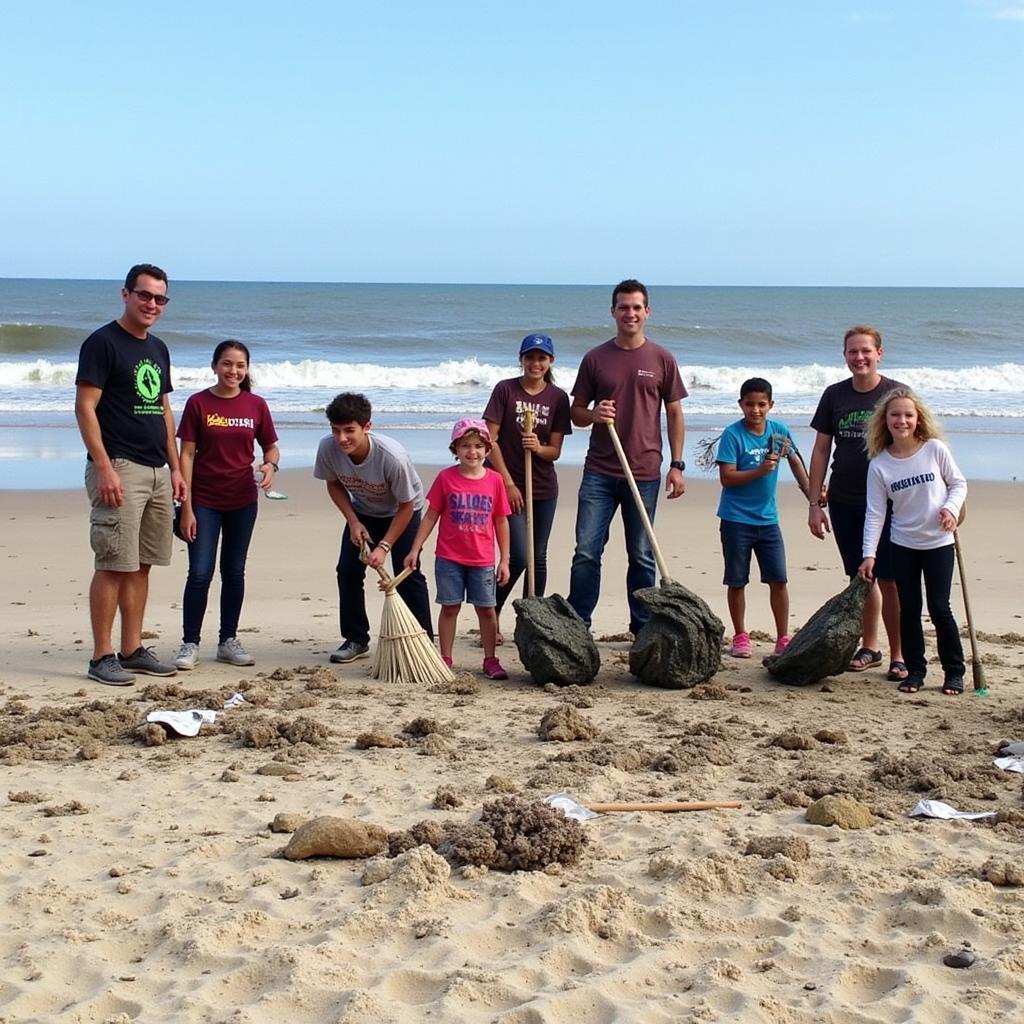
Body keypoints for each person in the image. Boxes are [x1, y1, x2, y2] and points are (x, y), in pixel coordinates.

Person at [74, 263, 186, 685]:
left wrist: (174, 467)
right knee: (112, 563)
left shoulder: (158, 348)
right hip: (118, 466)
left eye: (160, 298)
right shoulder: (102, 343)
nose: (152, 304)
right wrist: (103, 466)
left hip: (157, 469)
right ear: (126, 294)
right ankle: (101, 656)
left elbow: (163, 409)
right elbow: (85, 407)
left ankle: (132, 648)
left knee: (141, 565)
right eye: (145, 295)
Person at [567, 278, 687, 636]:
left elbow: (675, 413)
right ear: (613, 312)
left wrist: (677, 465)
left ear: (647, 311)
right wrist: (594, 414)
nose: (630, 313)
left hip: (646, 470)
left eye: (637, 307)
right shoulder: (595, 358)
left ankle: (642, 627)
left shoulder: (662, 358)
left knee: (641, 555)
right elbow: (575, 412)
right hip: (600, 472)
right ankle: (578, 624)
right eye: (623, 307)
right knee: (587, 551)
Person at [807, 325, 908, 681]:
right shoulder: (835, 395)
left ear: (880, 353)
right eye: (853, 351)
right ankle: (871, 646)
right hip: (844, 500)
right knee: (860, 577)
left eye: (866, 351)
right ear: (844, 355)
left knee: (891, 579)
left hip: (890, 504)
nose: (859, 357)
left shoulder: (896, 394)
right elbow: (821, 449)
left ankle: (899, 655)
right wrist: (814, 502)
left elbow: (917, 445)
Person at [173, 341, 280, 670]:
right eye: (227, 364)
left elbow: (272, 447)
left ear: (247, 369)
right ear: (214, 366)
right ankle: (190, 643)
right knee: (200, 573)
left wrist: (269, 467)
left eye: (240, 365)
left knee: (234, 572)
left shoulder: (256, 405)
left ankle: (227, 640)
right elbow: (186, 455)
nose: (233, 371)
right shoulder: (198, 403)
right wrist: (186, 506)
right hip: (204, 501)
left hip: (242, 502)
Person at [858, 389, 967, 695]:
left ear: (918, 418)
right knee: (909, 608)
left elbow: (958, 483)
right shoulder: (879, 465)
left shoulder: (934, 449)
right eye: (895, 414)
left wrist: (950, 509)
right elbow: (875, 513)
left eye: (908, 414)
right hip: (903, 544)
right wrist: (869, 554)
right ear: (885, 420)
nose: (901, 420)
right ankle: (916, 671)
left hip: (939, 543)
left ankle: (954, 672)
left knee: (939, 607)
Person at [314, 393, 433, 664]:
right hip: (363, 512)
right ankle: (356, 639)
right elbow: (333, 484)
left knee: (408, 573)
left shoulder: (392, 457)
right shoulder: (327, 448)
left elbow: (406, 506)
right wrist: (353, 521)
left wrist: (384, 545)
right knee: (347, 571)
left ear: (367, 427)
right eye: (336, 430)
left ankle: (423, 640)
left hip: (403, 512)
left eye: (349, 430)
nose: (342, 438)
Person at [404, 419, 511, 679]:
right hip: (449, 558)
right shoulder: (446, 478)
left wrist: (505, 559)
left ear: (487, 449)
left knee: (486, 609)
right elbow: (430, 516)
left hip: (483, 559)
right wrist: (415, 549)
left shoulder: (495, 481)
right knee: (450, 607)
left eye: (477, 446)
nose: (472, 452)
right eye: (465, 446)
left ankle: (490, 659)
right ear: (455, 449)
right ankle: (445, 658)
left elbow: (501, 520)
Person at [483, 333, 572, 644]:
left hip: (544, 487)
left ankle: (531, 621)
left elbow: (555, 451)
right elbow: (489, 439)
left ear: (551, 362)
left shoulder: (558, 398)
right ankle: (489, 619)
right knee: (519, 556)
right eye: (530, 357)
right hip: (509, 485)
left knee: (539, 558)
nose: (536, 363)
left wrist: (539, 446)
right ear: (521, 359)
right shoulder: (505, 390)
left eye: (542, 358)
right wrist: (506, 482)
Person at [716, 378, 812, 658]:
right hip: (736, 520)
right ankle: (741, 636)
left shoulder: (778, 431)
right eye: (749, 404)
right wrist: (760, 470)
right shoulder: (733, 434)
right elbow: (727, 477)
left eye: (761, 404)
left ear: (771, 405)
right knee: (736, 580)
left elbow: (795, 461)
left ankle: (783, 637)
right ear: (740, 405)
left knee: (778, 580)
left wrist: (813, 496)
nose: (755, 410)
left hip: (768, 520)